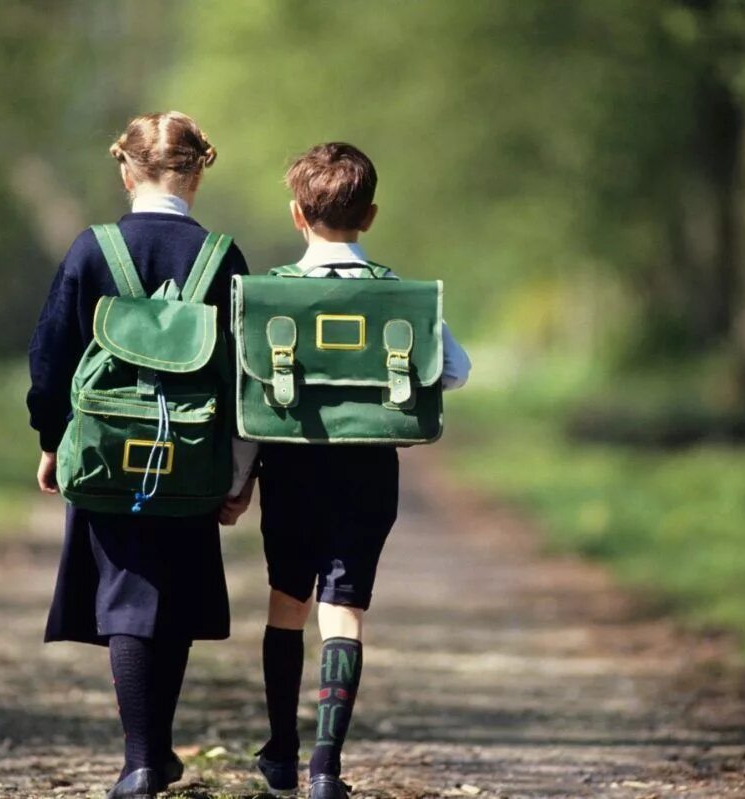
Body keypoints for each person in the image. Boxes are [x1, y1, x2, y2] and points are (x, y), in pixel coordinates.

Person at [27, 111, 256, 799]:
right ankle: (153, 750)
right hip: (192, 457)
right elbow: (248, 378)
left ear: (125, 170)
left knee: (126, 595)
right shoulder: (222, 255)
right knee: (174, 599)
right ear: (200, 171)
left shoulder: (92, 251)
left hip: (105, 454)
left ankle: (141, 760)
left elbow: (50, 357)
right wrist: (240, 474)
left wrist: (50, 439)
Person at [240, 142, 471, 799]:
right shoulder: (399, 296)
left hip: (290, 467)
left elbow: (247, 403)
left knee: (287, 601)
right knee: (344, 612)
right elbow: (454, 370)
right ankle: (325, 767)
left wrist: (236, 484)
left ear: (295, 215)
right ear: (370, 216)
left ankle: (281, 751)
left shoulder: (270, 297)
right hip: (368, 473)